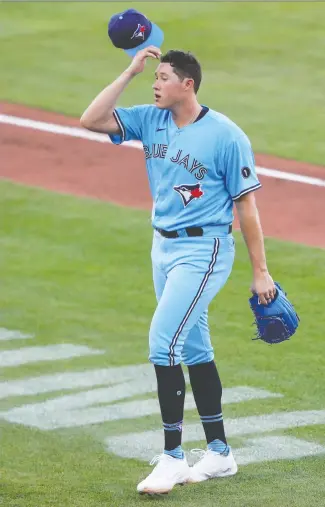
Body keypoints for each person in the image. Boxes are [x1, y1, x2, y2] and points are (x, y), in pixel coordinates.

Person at [80, 47, 276, 496]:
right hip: (162, 246)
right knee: (192, 343)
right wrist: (130, 70)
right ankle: (220, 452)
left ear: (187, 84)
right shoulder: (152, 120)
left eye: (163, 76)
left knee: (162, 341)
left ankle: (171, 458)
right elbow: (90, 120)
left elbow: (246, 205)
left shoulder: (226, 136)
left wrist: (260, 271)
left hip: (204, 248)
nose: (156, 82)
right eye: (154, 76)